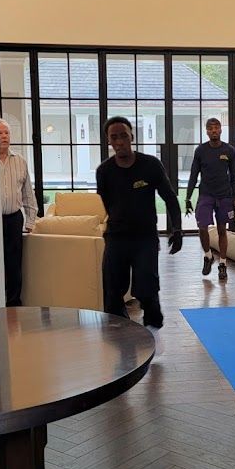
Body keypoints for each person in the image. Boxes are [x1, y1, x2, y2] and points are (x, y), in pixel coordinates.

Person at [96, 116, 183, 338]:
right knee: (112, 291)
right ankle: (120, 335)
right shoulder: (104, 171)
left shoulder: (150, 165)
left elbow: (170, 198)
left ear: (132, 137)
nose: (119, 141)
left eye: (123, 136)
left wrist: (177, 229)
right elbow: (109, 204)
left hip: (145, 238)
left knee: (147, 288)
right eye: (114, 137)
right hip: (116, 237)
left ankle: (153, 330)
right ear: (108, 141)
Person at [185, 118, 235, 281]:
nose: (214, 130)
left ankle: (222, 264)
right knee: (202, 227)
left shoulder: (229, 150)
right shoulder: (200, 150)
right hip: (206, 194)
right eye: (210, 128)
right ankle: (208, 256)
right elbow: (193, 174)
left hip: (224, 196)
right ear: (207, 131)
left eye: (216, 127)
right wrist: (188, 197)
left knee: (222, 230)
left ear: (221, 130)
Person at [0, 118, 37, 307]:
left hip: (14, 219)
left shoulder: (20, 161)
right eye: (0, 133)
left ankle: (14, 303)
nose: (4, 136)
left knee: (14, 263)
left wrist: (30, 221)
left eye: (7, 133)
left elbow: (28, 194)